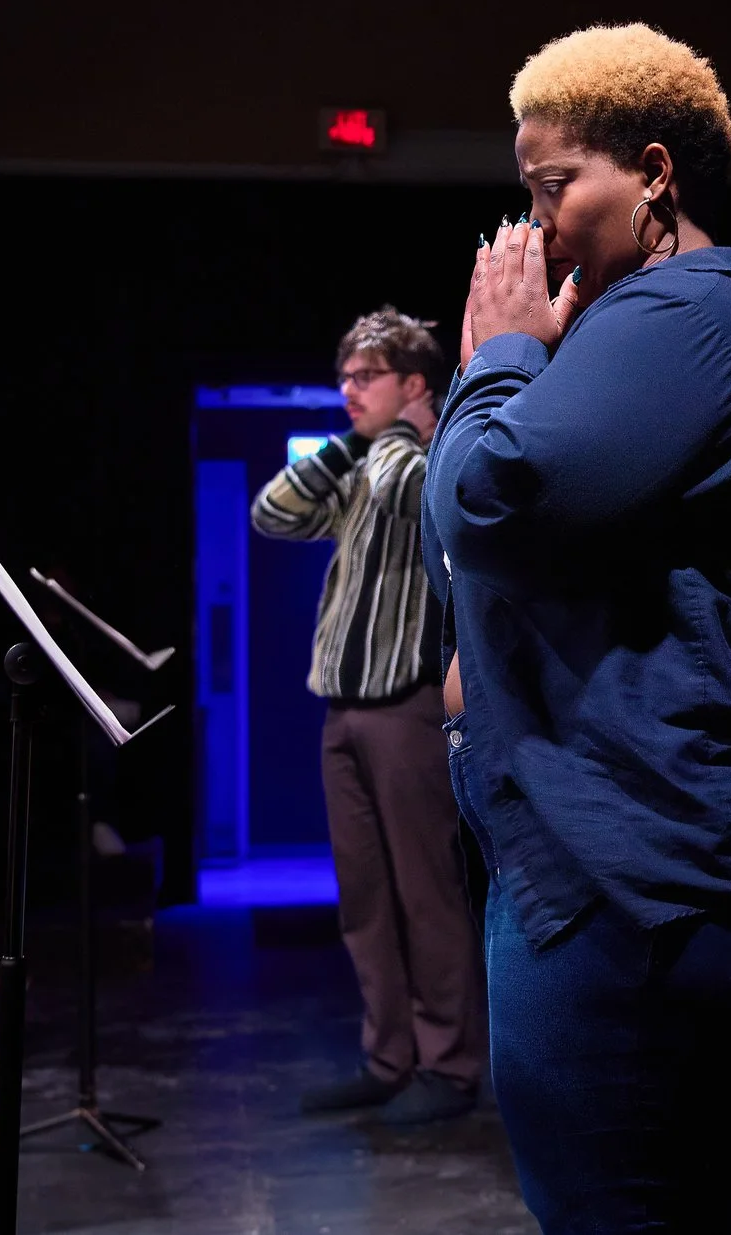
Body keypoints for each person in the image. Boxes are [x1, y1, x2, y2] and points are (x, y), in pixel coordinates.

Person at [425, 23, 731, 1232]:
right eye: (524, 191)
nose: (534, 228)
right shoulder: (627, 330)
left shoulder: (686, 316)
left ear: (657, 172)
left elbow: (483, 505)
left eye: (556, 184)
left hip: (633, 862)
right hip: (602, 844)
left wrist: (501, 358)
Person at [252, 304, 482, 1126]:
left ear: (413, 385)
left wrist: (400, 431)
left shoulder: (422, 459)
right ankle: (389, 1058)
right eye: (343, 375)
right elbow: (272, 511)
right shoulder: (361, 457)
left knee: (426, 894)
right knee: (365, 897)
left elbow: (395, 496)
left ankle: (449, 1065)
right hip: (343, 714)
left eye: (366, 376)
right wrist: (353, 437)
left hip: (405, 709)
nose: (347, 389)